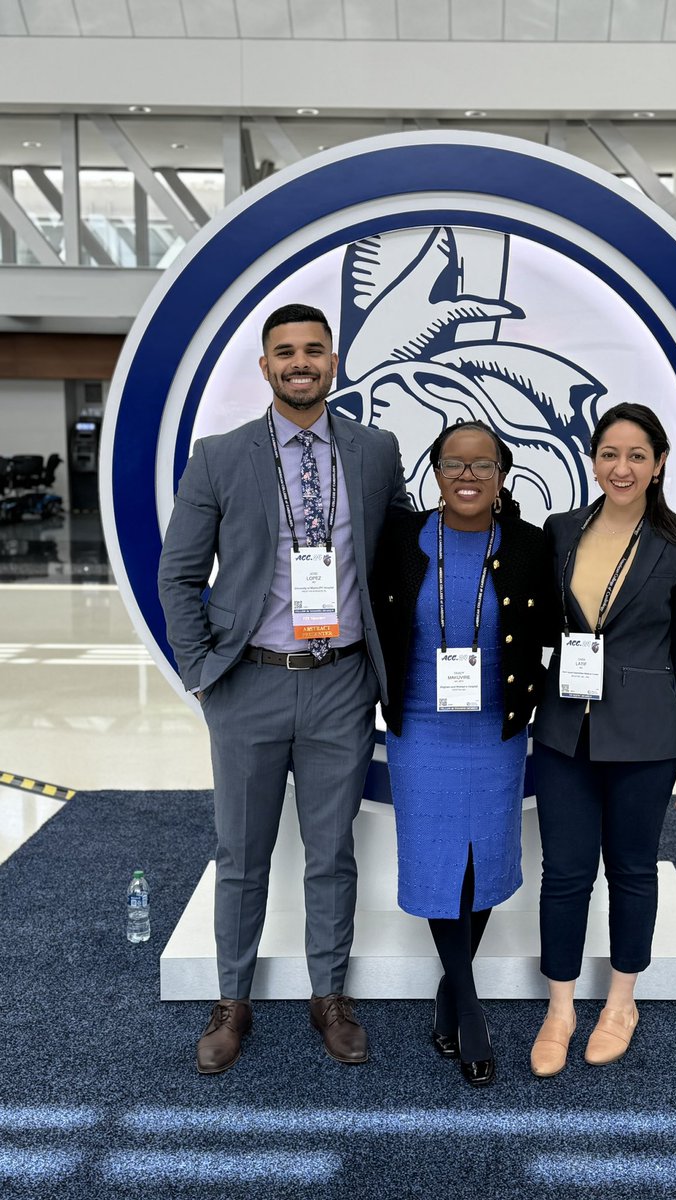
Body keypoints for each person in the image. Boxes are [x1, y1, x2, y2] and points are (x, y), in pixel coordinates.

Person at [158, 303, 409, 1074]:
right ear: (264, 367)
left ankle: (327, 995)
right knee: (242, 853)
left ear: (333, 362)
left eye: (313, 350)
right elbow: (179, 573)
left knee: (332, 853)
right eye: (284, 352)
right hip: (249, 685)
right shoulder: (220, 455)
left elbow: (398, 558)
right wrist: (204, 674)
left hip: (340, 684)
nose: (300, 362)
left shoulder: (374, 451)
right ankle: (232, 1000)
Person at [529, 402, 676, 1077]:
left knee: (633, 870)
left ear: (659, 463)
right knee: (565, 872)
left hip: (647, 735)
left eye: (637, 455)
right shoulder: (559, 531)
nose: (623, 467)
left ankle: (622, 1003)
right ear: (593, 458)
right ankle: (560, 1008)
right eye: (610, 453)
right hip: (562, 730)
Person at [372, 420, 550, 1087]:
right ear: (435, 472)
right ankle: (469, 1010)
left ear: (502, 473)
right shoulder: (397, 539)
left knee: (483, 862)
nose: (467, 475)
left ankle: (451, 997)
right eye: (453, 463)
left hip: (495, 730)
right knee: (439, 857)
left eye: (482, 464)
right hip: (419, 725)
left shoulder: (531, 546)